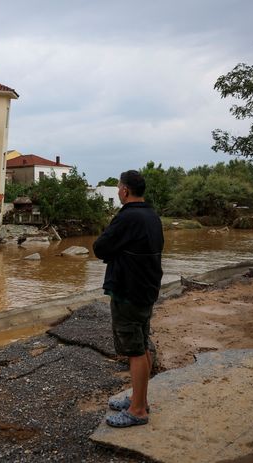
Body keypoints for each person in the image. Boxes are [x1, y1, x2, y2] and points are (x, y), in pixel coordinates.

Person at [93, 170, 164, 427]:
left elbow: (100, 247)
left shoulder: (127, 217)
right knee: (142, 345)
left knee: (134, 350)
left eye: (119, 187)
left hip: (129, 291)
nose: (118, 191)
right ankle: (139, 399)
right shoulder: (151, 215)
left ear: (125, 190)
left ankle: (137, 411)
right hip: (146, 288)